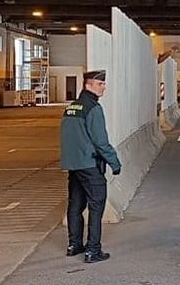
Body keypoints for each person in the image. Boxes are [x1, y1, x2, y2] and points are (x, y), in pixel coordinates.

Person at [60, 69, 121, 263]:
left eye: (103, 84)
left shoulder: (71, 108)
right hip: (90, 165)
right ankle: (93, 250)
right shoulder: (93, 108)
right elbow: (100, 141)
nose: (104, 87)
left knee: (75, 205)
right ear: (88, 85)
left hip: (74, 166)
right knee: (96, 206)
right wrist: (114, 162)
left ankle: (74, 244)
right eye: (100, 84)